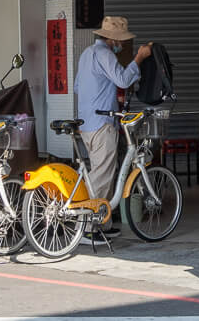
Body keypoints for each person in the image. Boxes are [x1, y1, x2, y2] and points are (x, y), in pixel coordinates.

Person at [74, 16, 151, 244]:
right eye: (121, 41)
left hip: (86, 123)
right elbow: (123, 79)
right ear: (111, 39)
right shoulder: (105, 54)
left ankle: (102, 223)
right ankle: (88, 228)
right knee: (102, 175)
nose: (122, 45)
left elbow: (79, 85)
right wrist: (139, 58)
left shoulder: (87, 53)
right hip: (101, 124)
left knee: (101, 172)